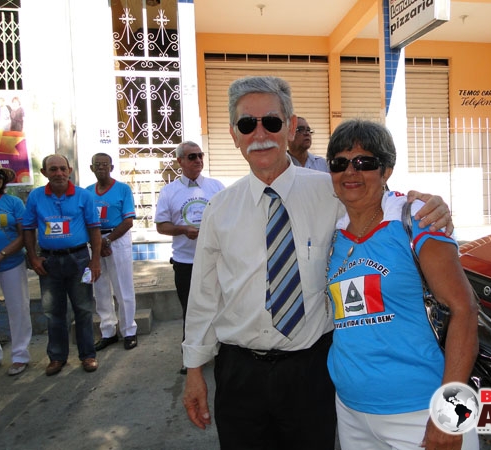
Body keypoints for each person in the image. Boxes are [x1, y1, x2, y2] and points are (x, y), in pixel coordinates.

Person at [181, 75, 453, 450]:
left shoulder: (331, 191)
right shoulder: (219, 208)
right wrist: (194, 370)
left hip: (311, 372)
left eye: (271, 122)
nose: (260, 134)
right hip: (239, 373)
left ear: (290, 126)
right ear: (233, 134)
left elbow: (383, 201)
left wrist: (430, 205)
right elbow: (204, 296)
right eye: (247, 124)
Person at [325, 119, 479, 450]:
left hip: (420, 410)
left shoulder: (415, 219)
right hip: (351, 410)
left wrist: (450, 413)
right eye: (339, 163)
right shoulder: (334, 233)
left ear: (386, 170)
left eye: (364, 162)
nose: (350, 172)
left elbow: (464, 310)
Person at [22, 154, 102, 376]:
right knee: (53, 311)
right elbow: (28, 229)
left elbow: (94, 229)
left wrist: (95, 260)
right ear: (44, 172)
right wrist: (33, 257)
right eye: (53, 169)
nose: (58, 173)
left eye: (62, 168)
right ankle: (57, 357)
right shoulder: (36, 196)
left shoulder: (84, 196)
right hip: (49, 262)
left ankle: (88, 355)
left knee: (83, 309)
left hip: (79, 259)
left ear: (69, 170)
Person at [154, 141, 225, 374]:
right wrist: (183, 230)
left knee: (218, 306)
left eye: (200, 155)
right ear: (180, 161)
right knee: (191, 310)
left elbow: (227, 218)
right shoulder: (169, 191)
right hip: (185, 262)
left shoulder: (216, 187)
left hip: (215, 260)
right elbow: (161, 226)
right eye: (192, 156)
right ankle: (192, 357)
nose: (198, 160)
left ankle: (221, 351)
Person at [87, 153, 138, 351]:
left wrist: (107, 241)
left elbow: (128, 221)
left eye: (105, 164)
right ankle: (108, 331)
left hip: (117, 239)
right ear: (91, 168)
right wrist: (97, 243)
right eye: (97, 165)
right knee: (100, 288)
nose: (101, 168)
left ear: (112, 167)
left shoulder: (123, 189)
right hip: (94, 240)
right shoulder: (87, 192)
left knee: (123, 288)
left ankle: (129, 330)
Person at [0, 162, 32, 376]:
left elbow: (24, 234)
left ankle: (20, 356)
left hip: (12, 263)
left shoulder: (13, 202)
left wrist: (2, 254)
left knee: (18, 308)